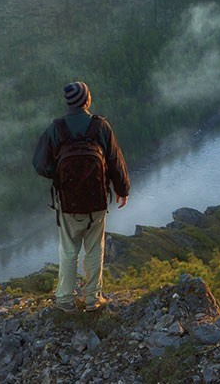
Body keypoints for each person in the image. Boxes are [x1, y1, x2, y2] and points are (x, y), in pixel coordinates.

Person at [32, 80, 130, 311]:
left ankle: (65, 299)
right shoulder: (100, 127)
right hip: (96, 201)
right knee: (95, 248)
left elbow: (39, 164)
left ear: (68, 104)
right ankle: (93, 298)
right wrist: (122, 190)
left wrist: (59, 175)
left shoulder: (56, 129)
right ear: (87, 100)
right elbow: (115, 161)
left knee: (68, 250)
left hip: (68, 203)